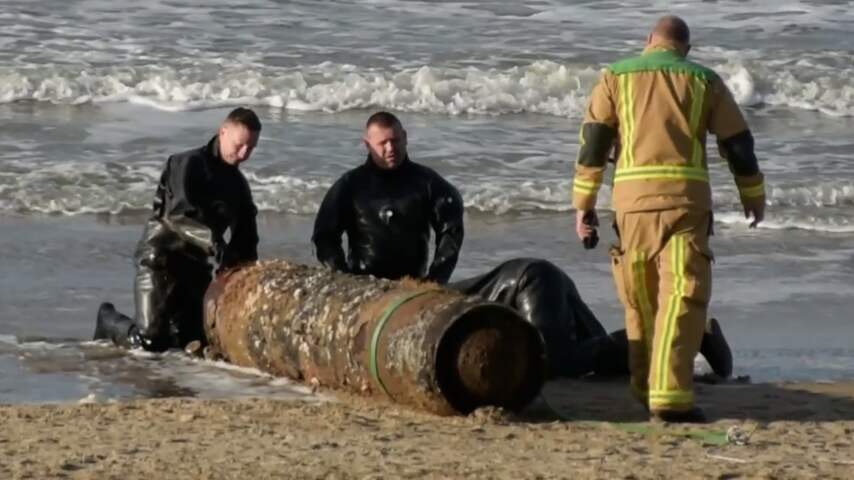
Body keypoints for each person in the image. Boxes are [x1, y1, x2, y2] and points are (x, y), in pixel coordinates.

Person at [572, 16, 765, 422]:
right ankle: (671, 399)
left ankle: (644, 390)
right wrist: (753, 194)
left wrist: (583, 203)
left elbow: (593, 144)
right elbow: (738, 144)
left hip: (631, 207)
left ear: (648, 42)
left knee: (640, 301)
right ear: (686, 49)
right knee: (683, 297)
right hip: (686, 206)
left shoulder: (615, 77)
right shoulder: (704, 79)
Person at [93, 107, 262, 352]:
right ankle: (108, 320)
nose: (244, 154)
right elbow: (177, 216)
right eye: (239, 145)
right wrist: (214, 243)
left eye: (251, 148)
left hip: (196, 270)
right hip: (160, 259)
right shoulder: (186, 164)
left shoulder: (239, 186)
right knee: (150, 343)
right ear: (223, 132)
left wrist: (237, 270)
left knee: (191, 343)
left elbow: (247, 238)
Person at [448, 258, 732, 380]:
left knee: (555, 365)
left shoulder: (431, 300)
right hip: (540, 279)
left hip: (532, 283)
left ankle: (690, 336)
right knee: (600, 355)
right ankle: (694, 336)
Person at [312, 111, 464, 283]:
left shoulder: (428, 182)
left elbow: (451, 232)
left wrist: (435, 280)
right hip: (365, 284)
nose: (391, 148)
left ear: (405, 138)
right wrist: (345, 279)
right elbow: (324, 237)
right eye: (383, 143)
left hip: (412, 285)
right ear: (368, 145)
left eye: (395, 140)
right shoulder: (350, 185)